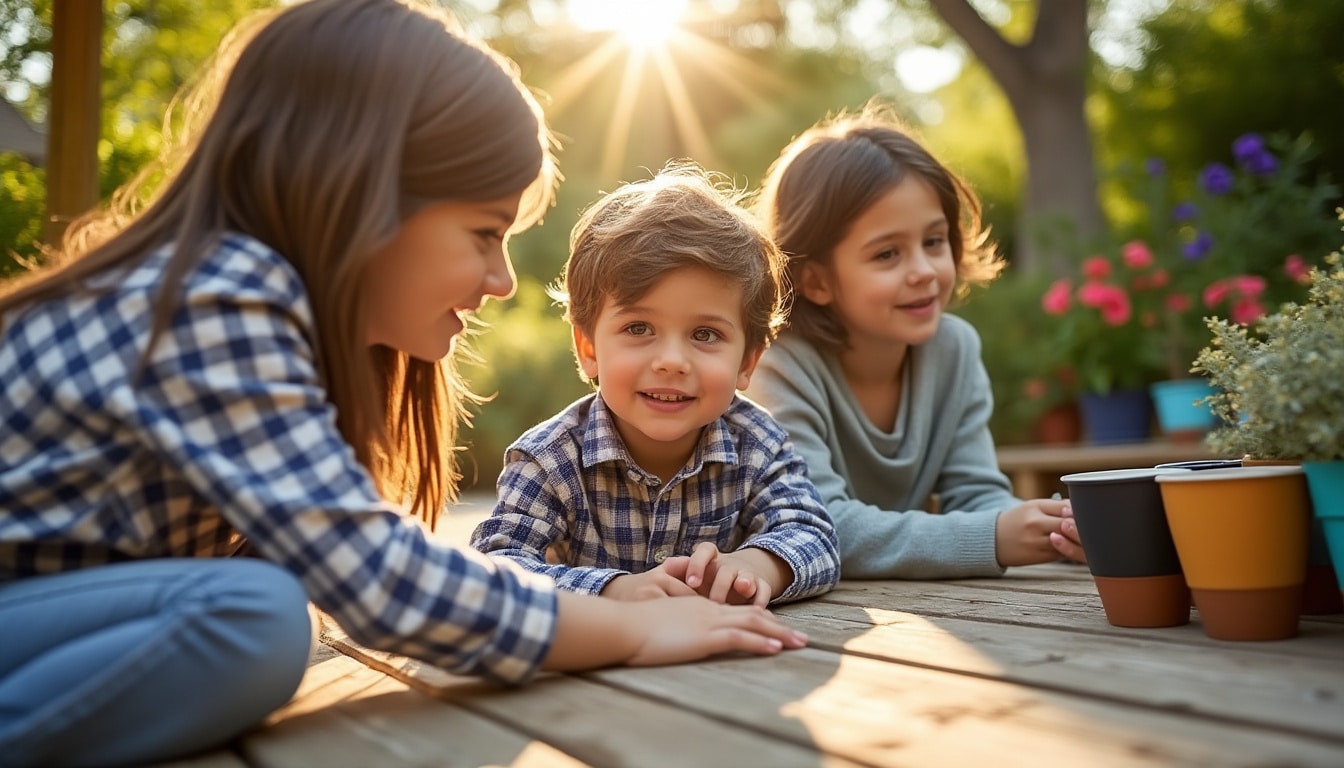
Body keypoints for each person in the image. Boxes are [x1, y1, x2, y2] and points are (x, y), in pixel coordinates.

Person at [0, 3, 809, 766]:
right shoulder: (216, 295)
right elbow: (382, 585)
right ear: (361, 193)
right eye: (484, 234)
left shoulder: (247, 307)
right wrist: (631, 630)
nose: (499, 280)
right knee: (254, 615)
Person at [471, 163, 840, 607]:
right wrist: (611, 589)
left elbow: (814, 533)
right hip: (591, 665)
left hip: (730, 667)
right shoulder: (550, 460)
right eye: (639, 328)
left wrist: (760, 564)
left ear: (747, 362)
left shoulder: (758, 444)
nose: (670, 362)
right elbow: (493, 564)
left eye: (705, 335)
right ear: (588, 347)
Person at [743, 104, 1087, 580]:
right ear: (815, 279)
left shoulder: (954, 348)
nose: (924, 271)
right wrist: (992, 537)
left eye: (934, 241)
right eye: (887, 254)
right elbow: (817, 527)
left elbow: (976, 495)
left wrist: (1054, 531)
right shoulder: (778, 367)